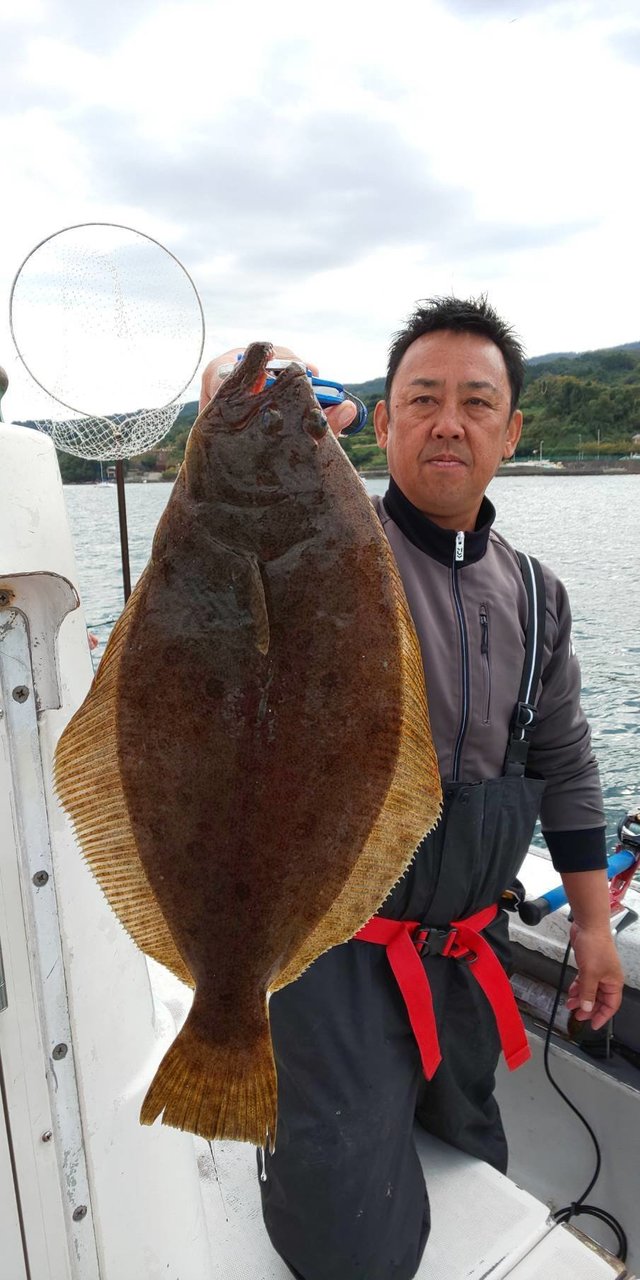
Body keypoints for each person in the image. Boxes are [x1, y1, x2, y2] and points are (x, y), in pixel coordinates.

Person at [199, 299, 625, 1280]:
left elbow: (563, 764)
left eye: (476, 402)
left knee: (470, 1160)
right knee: (344, 1231)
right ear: (382, 423)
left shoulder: (536, 592)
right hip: (333, 950)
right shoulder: (318, 545)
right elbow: (236, 504)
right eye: (421, 399)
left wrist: (594, 925)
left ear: (511, 430)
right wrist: (254, 379)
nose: (449, 421)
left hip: (467, 949)